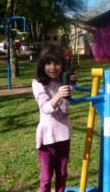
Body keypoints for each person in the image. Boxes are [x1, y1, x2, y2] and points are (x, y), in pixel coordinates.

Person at [32, 44, 76, 192]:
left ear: (62, 65)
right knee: (46, 175)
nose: (53, 67)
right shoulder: (38, 83)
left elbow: (69, 100)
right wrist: (58, 94)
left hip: (63, 134)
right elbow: (45, 108)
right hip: (47, 137)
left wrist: (72, 84)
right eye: (48, 63)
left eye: (57, 63)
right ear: (42, 65)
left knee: (62, 172)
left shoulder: (63, 81)